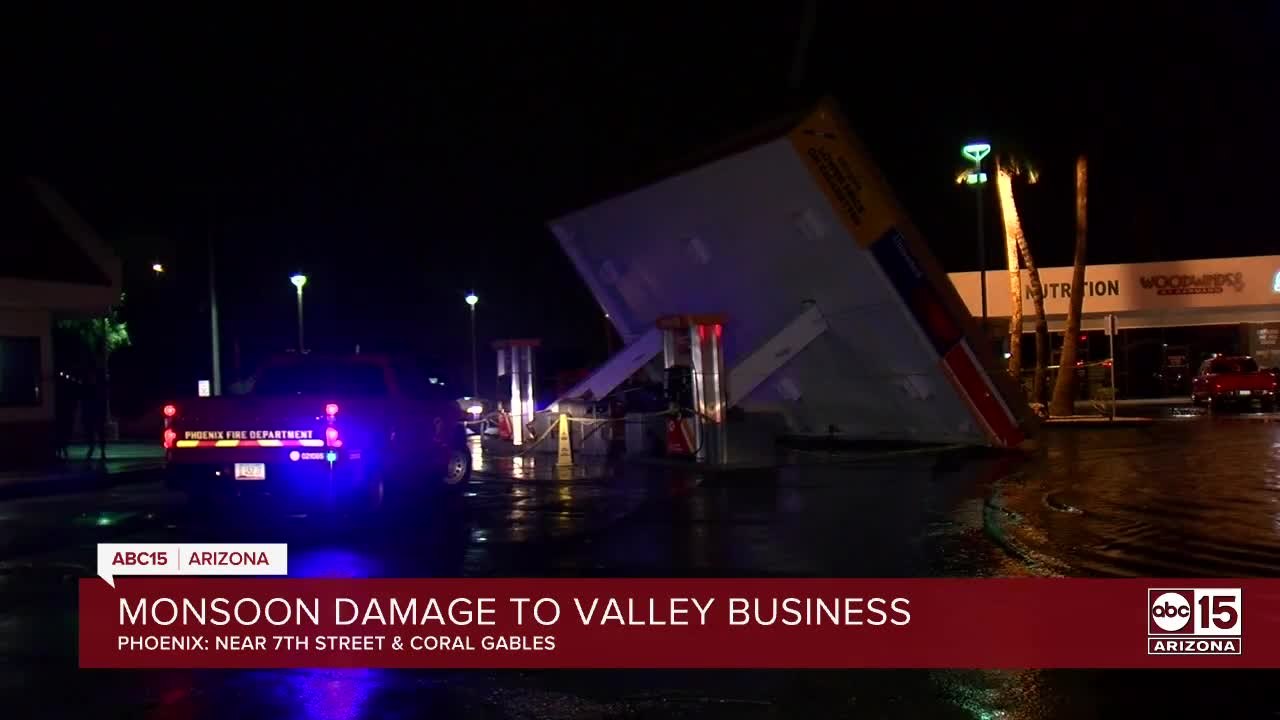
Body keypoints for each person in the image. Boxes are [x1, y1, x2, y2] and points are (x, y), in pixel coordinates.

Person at [81, 366, 109, 462]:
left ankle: (99, 451)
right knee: (93, 432)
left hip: (95, 413)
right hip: (93, 413)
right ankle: (96, 450)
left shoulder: (93, 388)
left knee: (99, 433)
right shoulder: (91, 388)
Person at [54, 371, 78, 461]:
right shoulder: (66, 393)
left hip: (62, 414)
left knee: (61, 433)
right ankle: (62, 451)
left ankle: (61, 451)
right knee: (62, 433)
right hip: (64, 414)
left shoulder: (61, 393)